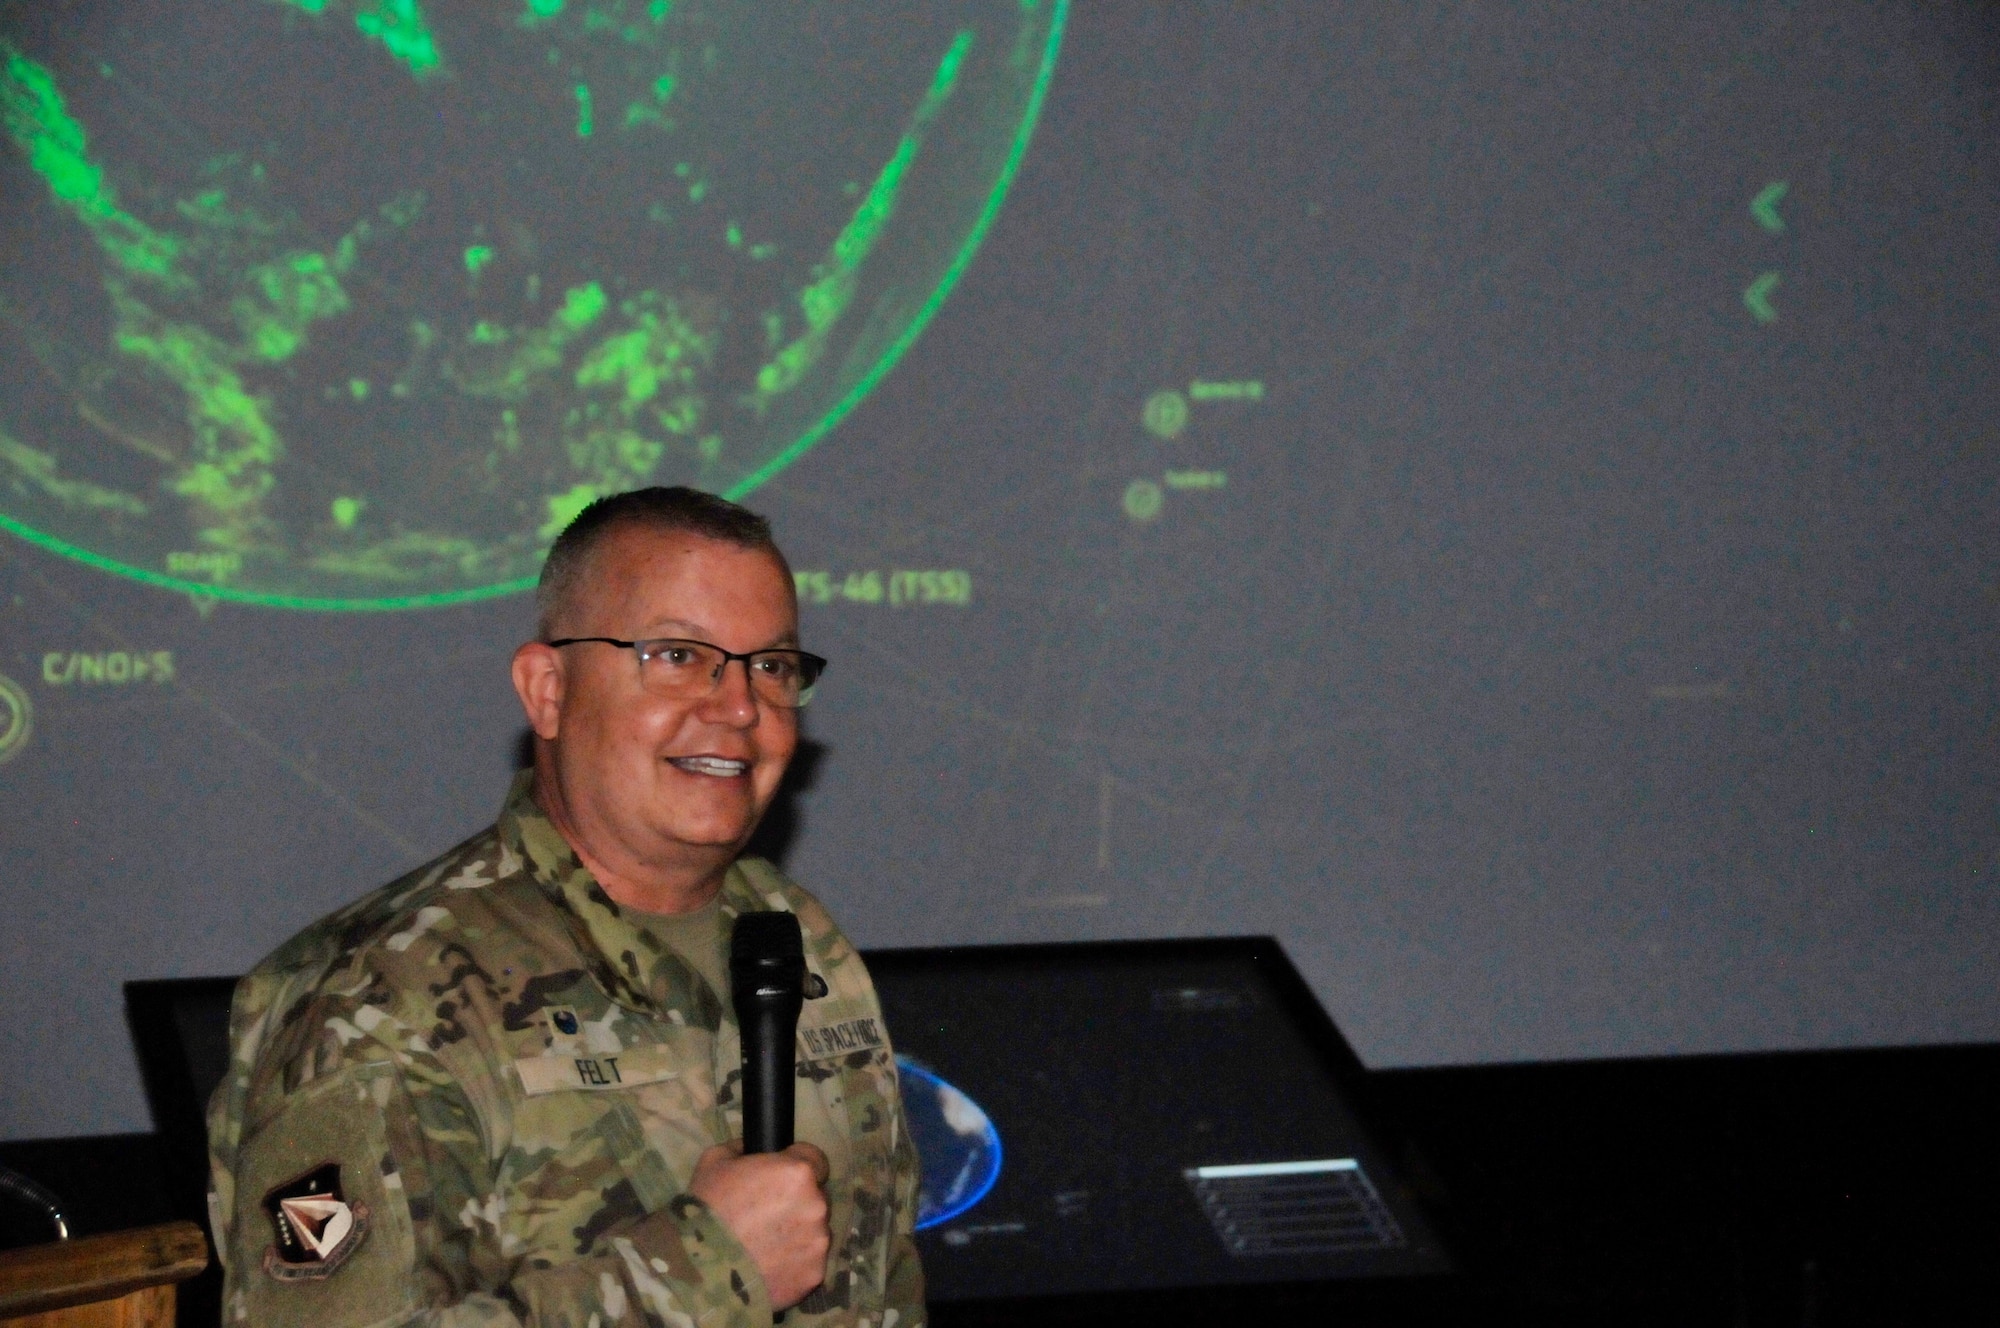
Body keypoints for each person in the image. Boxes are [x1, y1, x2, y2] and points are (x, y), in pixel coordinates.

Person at [206, 487, 924, 1328]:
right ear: (547, 691)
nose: (739, 708)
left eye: (770, 666)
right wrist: (705, 1269)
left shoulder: (796, 939)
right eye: (678, 656)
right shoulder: (379, 1000)